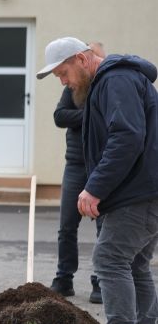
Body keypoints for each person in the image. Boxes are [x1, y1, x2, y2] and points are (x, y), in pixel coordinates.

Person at [37, 36, 158, 324]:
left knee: (109, 261)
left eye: (63, 73)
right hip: (141, 191)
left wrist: (95, 187)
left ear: (81, 58)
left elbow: (127, 137)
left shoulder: (115, 80)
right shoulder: (111, 81)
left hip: (137, 194)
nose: (63, 82)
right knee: (134, 265)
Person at [50, 42, 105, 303]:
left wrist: (83, 115)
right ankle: (64, 278)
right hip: (74, 164)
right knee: (67, 226)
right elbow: (60, 116)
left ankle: (100, 281)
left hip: (101, 166)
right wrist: (88, 115)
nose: (64, 81)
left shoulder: (105, 84)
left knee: (104, 226)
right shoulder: (74, 88)